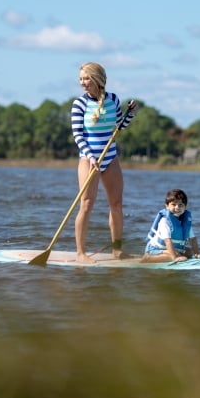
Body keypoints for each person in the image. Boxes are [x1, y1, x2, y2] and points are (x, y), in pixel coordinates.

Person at [72, 62, 137, 263]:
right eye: (81, 79)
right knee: (86, 204)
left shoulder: (114, 99)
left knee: (116, 204)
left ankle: (117, 251)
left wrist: (130, 114)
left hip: (110, 158)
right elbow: (78, 135)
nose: (83, 83)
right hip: (88, 159)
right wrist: (90, 156)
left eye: (86, 78)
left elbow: (120, 126)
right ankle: (81, 253)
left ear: (97, 79)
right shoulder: (79, 104)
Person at [142, 188, 200, 263]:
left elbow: (192, 239)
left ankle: (173, 255)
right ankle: (148, 258)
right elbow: (167, 240)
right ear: (167, 206)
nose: (177, 207)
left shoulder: (185, 221)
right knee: (174, 255)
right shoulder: (164, 221)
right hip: (155, 249)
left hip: (169, 249)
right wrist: (175, 257)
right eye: (173, 204)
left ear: (185, 207)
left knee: (189, 252)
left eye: (180, 205)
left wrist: (197, 253)